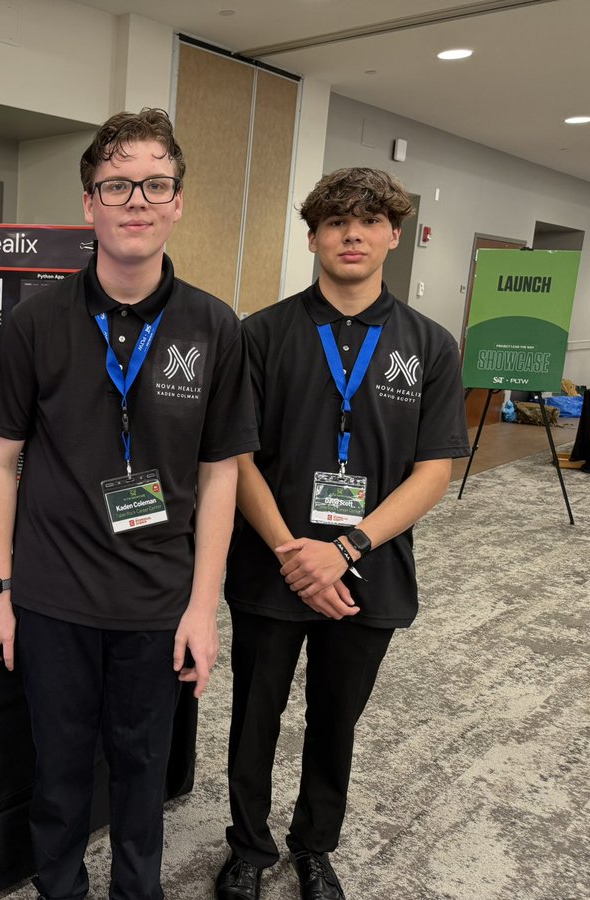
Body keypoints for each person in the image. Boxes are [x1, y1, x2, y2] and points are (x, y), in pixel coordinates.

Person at [0, 108, 258, 900]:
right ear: (90, 204)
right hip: (53, 597)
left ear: (176, 203)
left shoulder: (214, 326)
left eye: (155, 183)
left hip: (157, 602)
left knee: (142, 775)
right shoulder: (36, 322)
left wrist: (205, 609)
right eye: (117, 183)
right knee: (59, 774)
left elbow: (220, 477)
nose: (137, 199)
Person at [214, 168, 470, 900]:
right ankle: (249, 849)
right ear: (313, 237)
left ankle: (315, 846)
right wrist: (297, 557)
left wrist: (344, 550)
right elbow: (238, 454)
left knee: (335, 719)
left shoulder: (429, 344)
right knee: (255, 716)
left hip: (371, 569)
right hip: (272, 565)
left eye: (368, 222)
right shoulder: (260, 335)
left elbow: (432, 472)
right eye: (334, 222)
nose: (351, 234)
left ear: (394, 234)